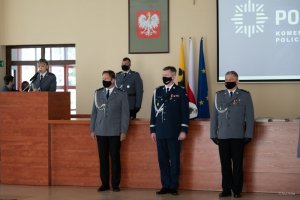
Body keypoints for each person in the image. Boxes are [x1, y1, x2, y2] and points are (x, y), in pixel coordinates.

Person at [210, 71, 254, 198]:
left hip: (238, 135)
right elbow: (214, 117)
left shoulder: (245, 95)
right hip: (222, 135)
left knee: (238, 165)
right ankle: (226, 189)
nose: (229, 81)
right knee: (225, 165)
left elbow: (250, 117)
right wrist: (213, 133)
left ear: (237, 81)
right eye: (227, 79)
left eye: (231, 79)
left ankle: (237, 190)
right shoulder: (219, 95)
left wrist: (248, 134)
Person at [150, 66, 189, 195]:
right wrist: (153, 130)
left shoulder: (180, 91)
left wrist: (183, 130)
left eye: (167, 75)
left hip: (174, 132)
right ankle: (165, 185)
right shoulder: (157, 91)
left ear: (173, 76)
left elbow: (184, 112)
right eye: (163, 74)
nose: (165, 77)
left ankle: (173, 186)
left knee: (174, 160)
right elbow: (153, 112)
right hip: (160, 132)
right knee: (162, 161)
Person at [90, 70, 129, 192]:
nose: (104, 81)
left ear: (113, 80)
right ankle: (105, 184)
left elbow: (125, 114)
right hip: (100, 131)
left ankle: (115, 184)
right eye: (103, 78)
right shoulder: (98, 93)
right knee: (103, 159)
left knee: (115, 158)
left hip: (115, 132)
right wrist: (92, 129)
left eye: (106, 79)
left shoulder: (121, 94)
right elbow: (94, 113)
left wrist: (123, 131)